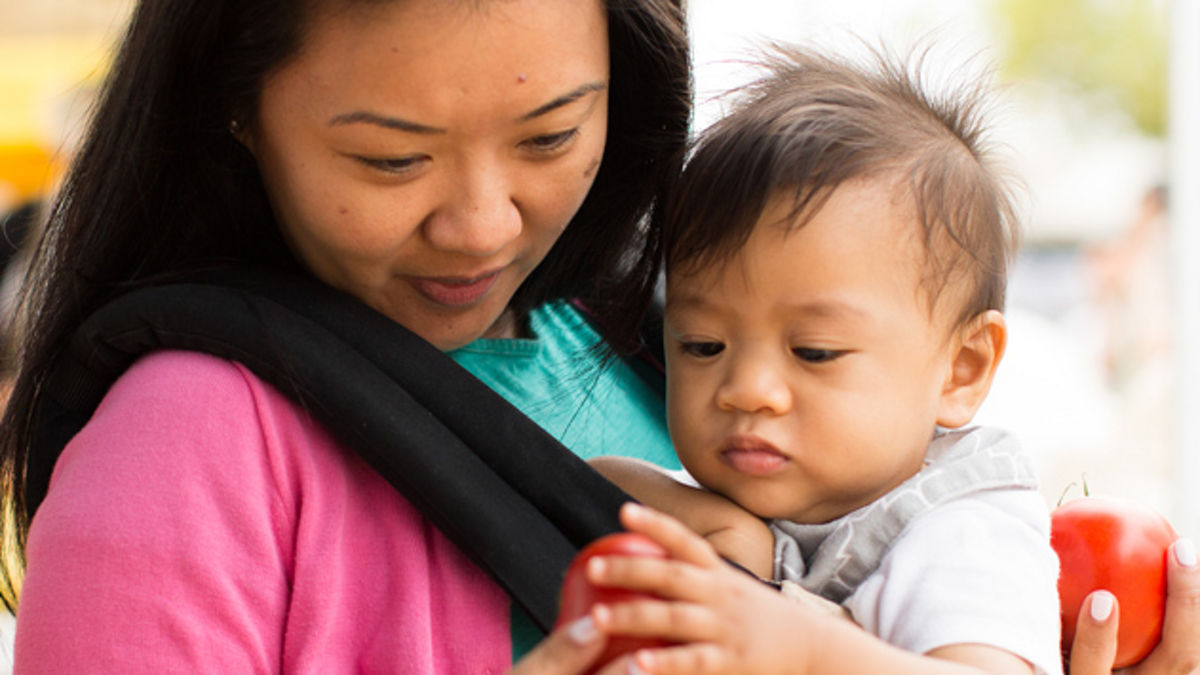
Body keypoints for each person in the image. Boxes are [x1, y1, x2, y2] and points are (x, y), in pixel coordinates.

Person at [0, 1, 1191, 673]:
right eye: (391, 157)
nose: (481, 222)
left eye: (550, 134)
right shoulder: (186, 442)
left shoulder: (668, 342)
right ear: (236, 117)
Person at [586, 45, 1200, 675]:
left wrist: (805, 648)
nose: (747, 389)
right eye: (702, 346)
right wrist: (726, 531)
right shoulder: (776, 499)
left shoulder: (961, 535)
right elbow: (594, 481)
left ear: (961, 369)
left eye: (814, 352)